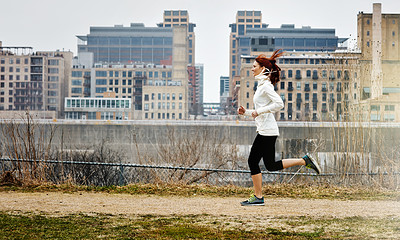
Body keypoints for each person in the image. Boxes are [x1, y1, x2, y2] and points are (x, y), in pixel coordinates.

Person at [238, 49, 321, 206]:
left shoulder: (265, 86)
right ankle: (304, 161)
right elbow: (261, 112)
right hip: (267, 129)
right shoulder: (262, 85)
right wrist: (246, 113)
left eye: (254, 66)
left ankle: (258, 197)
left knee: (252, 161)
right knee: (270, 165)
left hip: (266, 131)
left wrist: (257, 111)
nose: (251, 68)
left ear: (263, 69)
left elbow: (279, 104)